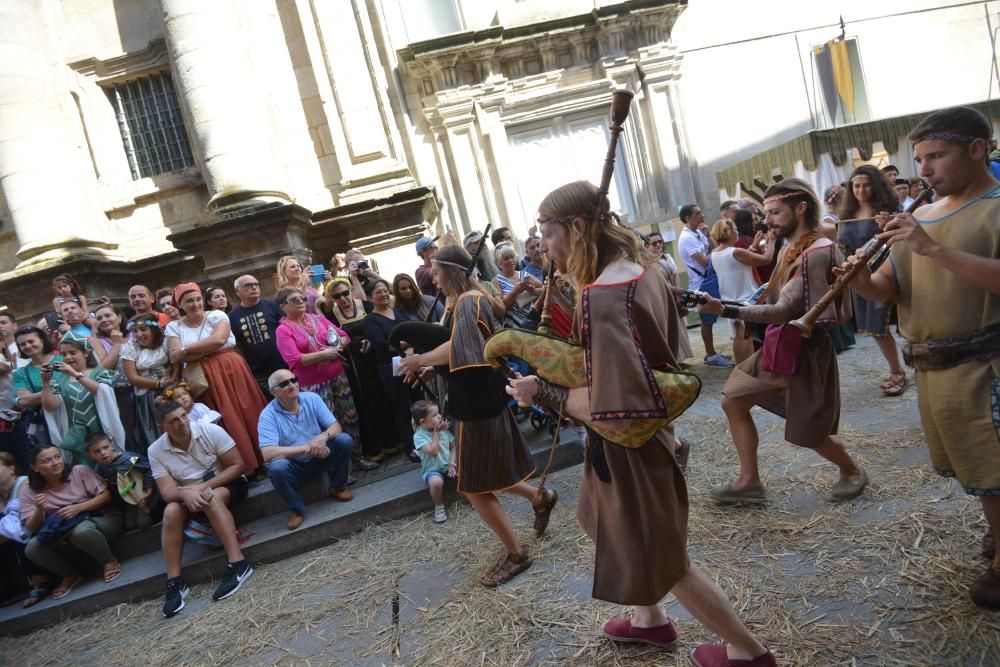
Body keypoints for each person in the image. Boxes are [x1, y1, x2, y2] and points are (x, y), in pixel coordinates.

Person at [508, 180, 773, 666]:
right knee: (594, 517)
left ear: (578, 227)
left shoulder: (606, 294)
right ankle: (649, 619)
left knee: (665, 561)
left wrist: (541, 391)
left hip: (630, 443)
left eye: (547, 234)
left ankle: (747, 652)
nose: (544, 247)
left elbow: (618, 409)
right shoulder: (638, 270)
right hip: (629, 439)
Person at [840, 106, 1000, 608]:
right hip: (933, 366)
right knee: (979, 470)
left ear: (978, 149)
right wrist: (859, 279)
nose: (924, 170)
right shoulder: (920, 218)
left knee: (997, 466)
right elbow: (891, 288)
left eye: (937, 156)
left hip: (988, 362)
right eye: (920, 158)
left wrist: (933, 250)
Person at [697, 178, 867, 507]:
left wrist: (726, 308)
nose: (768, 219)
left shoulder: (816, 252)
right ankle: (749, 481)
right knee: (733, 401)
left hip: (804, 350)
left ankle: (851, 471)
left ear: (801, 208)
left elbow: (784, 310)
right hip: (780, 346)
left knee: (810, 433)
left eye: (775, 212)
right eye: (767, 212)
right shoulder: (792, 246)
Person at [397, 244, 557, 588]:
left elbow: (463, 349)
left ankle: (516, 552)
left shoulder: (469, 300)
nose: (435, 280)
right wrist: (427, 366)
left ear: (452, 271)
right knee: (480, 474)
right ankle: (538, 496)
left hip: (477, 399)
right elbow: (458, 348)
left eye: (438, 273)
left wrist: (419, 359)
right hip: (478, 395)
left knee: (472, 485)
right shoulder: (467, 300)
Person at [148, 401, 253, 617]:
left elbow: (237, 465)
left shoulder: (210, 430)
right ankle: (175, 581)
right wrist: (186, 492)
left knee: (210, 499)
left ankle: (238, 563)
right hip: (187, 495)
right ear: (162, 427)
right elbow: (167, 492)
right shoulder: (155, 450)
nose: (182, 423)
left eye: (183, 416)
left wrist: (199, 488)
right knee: (170, 512)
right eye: (174, 420)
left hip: (224, 483)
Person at [165, 283, 267, 474]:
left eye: (197, 299)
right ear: (180, 305)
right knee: (224, 417)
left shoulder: (217, 315)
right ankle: (244, 467)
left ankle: (265, 458)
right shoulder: (174, 327)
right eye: (189, 301)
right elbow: (175, 355)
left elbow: (219, 339)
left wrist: (187, 349)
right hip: (203, 377)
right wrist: (203, 349)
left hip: (231, 368)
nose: (195, 304)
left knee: (248, 409)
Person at [275, 287, 377, 471]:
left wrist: (336, 347)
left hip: (338, 377)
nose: (301, 302)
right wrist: (325, 354)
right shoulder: (283, 330)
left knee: (350, 417)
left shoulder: (317, 319)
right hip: (313, 386)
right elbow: (294, 360)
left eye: (302, 298)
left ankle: (357, 458)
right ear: (283, 307)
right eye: (294, 300)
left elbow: (344, 336)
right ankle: (340, 468)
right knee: (327, 423)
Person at [18, 444, 123, 601]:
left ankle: (108, 561)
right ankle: (69, 575)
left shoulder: (79, 471)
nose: (55, 463)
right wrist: (40, 510)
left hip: (101, 518)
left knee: (81, 532)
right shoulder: (29, 490)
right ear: (35, 467)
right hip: (60, 533)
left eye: (57, 456)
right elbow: (32, 528)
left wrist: (79, 507)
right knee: (32, 548)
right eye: (47, 460)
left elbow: (106, 496)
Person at [839, 164, 908, 396]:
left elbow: (900, 241)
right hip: (860, 276)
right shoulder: (847, 215)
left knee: (886, 325)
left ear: (875, 186)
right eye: (856, 185)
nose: (860, 190)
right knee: (874, 328)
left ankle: (900, 371)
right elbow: (843, 245)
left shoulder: (889, 209)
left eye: (866, 185)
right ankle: (896, 369)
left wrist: (886, 226)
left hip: (887, 273)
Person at [258, 369, 355, 530]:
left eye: (294, 380)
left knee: (344, 440)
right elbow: (267, 453)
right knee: (277, 467)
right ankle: (296, 508)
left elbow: (335, 427)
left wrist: (322, 437)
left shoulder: (312, 398)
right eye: (284, 384)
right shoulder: (267, 415)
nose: (291, 385)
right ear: (273, 391)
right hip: (294, 465)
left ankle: (337, 486)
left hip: (320, 455)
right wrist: (308, 448)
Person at [322, 278, 391, 463]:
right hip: (353, 369)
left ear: (351, 291)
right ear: (333, 299)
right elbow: (329, 339)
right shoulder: (330, 316)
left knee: (384, 399)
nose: (343, 298)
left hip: (375, 362)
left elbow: (379, 324)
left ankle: (395, 443)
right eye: (337, 296)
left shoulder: (367, 306)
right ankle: (375, 449)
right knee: (363, 406)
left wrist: (372, 340)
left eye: (346, 293)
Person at [42, 331, 126, 465]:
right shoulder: (60, 379)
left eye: (73, 353)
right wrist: (45, 384)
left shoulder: (100, 372)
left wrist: (75, 374)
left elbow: (100, 391)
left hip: (100, 430)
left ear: (86, 353)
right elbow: (51, 406)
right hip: (77, 436)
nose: (68, 357)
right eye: (64, 354)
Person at [362, 279, 417, 461]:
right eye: (378, 292)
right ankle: (411, 447)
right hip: (391, 369)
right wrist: (408, 344)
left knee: (419, 402)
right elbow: (382, 345)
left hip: (412, 361)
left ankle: (428, 440)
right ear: (370, 297)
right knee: (402, 408)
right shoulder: (370, 320)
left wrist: (409, 349)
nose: (383, 294)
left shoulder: (398, 311)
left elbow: (413, 331)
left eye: (385, 291)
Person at [709, 219, 774, 363]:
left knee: (738, 337)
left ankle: (741, 367)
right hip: (746, 299)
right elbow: (766, 259)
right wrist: (772, 241)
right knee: (747, 337)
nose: (738, 232)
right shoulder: (735, 252)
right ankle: (750, 367)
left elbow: (738, 262)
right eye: (735, 230)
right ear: (729, 232)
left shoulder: (715, 253)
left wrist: (754, 245)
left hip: (729, 299)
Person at [678, 204, 734, 368]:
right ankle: (711, 355)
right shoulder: (687, 238)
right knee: (706, 320)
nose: (702, 216)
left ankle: (712, 353)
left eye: (701, 212)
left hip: (709, 280)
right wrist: (717, 252)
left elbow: (714, 248)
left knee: (712, 317)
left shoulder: (698, 233)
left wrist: (709, 236)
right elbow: (704, 260)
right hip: (700, 284)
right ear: (688, 218)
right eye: (698, 214)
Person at [0, 451, 51, 608]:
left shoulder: (24, 484)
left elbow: (21, 525)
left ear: (12, 468)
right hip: (17, 533)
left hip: (39, 525)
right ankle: (10, 587)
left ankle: (40, 581)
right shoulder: (2, 495)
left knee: (20, 536)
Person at [122, 314, 179, 453]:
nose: (139, 334)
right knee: (155, 433)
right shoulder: (130, 348)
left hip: (172, 391)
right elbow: (133, 378)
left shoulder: (166, 342)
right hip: (146, 398)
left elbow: (177, 364)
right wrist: (161, 383)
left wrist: (172, 382)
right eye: (135, 331)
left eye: (143, 329)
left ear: (154, 329)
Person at [86, 432, 163, 530]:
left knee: (143, 523)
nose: (103, 453)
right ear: (90, 455)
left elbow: (150, 468)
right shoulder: (100, 468)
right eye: (97, 451)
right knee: (130, 526)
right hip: (130, 499)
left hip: (147, 494)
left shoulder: (130, 459)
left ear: (112, 445)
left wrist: (148, 490)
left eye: (106, 447)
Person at [228, 274, 287, 396]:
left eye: (256, 284)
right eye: (248, 285)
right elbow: (236, 346)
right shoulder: (232, 317)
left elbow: (287, 329)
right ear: (237, 291)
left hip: (285, 364)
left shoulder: (271, 305)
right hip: (259, 373)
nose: (254, 287)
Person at [646, 231, 694, 362]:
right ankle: (674, 359)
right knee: (669, 329)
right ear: (647, 246)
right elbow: (659, 283)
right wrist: (678, 291)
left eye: (660, 242)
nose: (658, 245)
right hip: (661, 299)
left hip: (673, 297)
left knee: (679, 326)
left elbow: (676, 274)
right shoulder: (648, 263)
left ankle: (682, 357)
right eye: (654, 243)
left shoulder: (667, 257)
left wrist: (678, 295)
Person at [820, 185, 857, 354]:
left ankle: (846, 336)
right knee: (837, 297)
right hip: (833, 259)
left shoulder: (839, 216)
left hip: (841, 256)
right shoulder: (828, 219)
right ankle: (839, 339)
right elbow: (836, 236)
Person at [12, 326, 61, 446]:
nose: (27, 346)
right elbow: (23, 401)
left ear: (42, 340)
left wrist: (36, 395)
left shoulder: (64, 359)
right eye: (22, 344)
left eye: (31, 341)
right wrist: (58, 389)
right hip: (45, 426)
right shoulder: (20, 373)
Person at [410, 400, 455, 524]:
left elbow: (453, 446)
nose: (439, 416)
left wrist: (452, 462)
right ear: (423, 422)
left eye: (438, 413)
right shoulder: (419, 436)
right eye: (434, 415)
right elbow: (433, 452)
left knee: (466, 469)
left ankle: (473, 497)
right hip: (433, 470)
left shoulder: (442, 428)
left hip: (448, 466)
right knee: (435, 483)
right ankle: (439, 506)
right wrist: (436, 432)